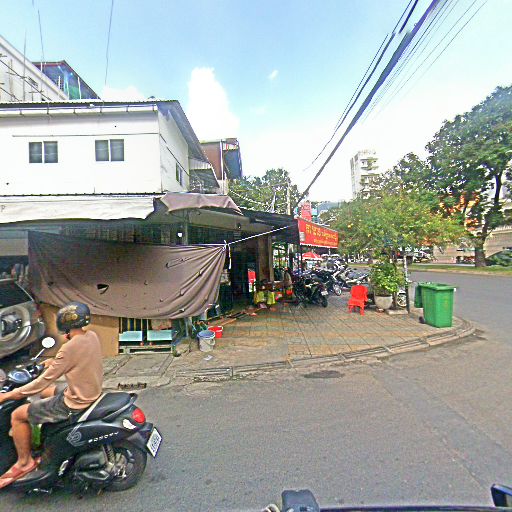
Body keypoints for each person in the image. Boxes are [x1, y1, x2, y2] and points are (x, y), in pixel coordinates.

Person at [0, 302, 103, 488]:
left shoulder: (68, 348)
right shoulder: (91, 336)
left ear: (64, 324)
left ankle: (24, 462)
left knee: (18, 415)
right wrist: (53, 362)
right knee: (44, 393)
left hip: (74, 402)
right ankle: (41, 435)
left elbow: (42, 382)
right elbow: (76, 358)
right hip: (88, 390)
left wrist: (10, 395)